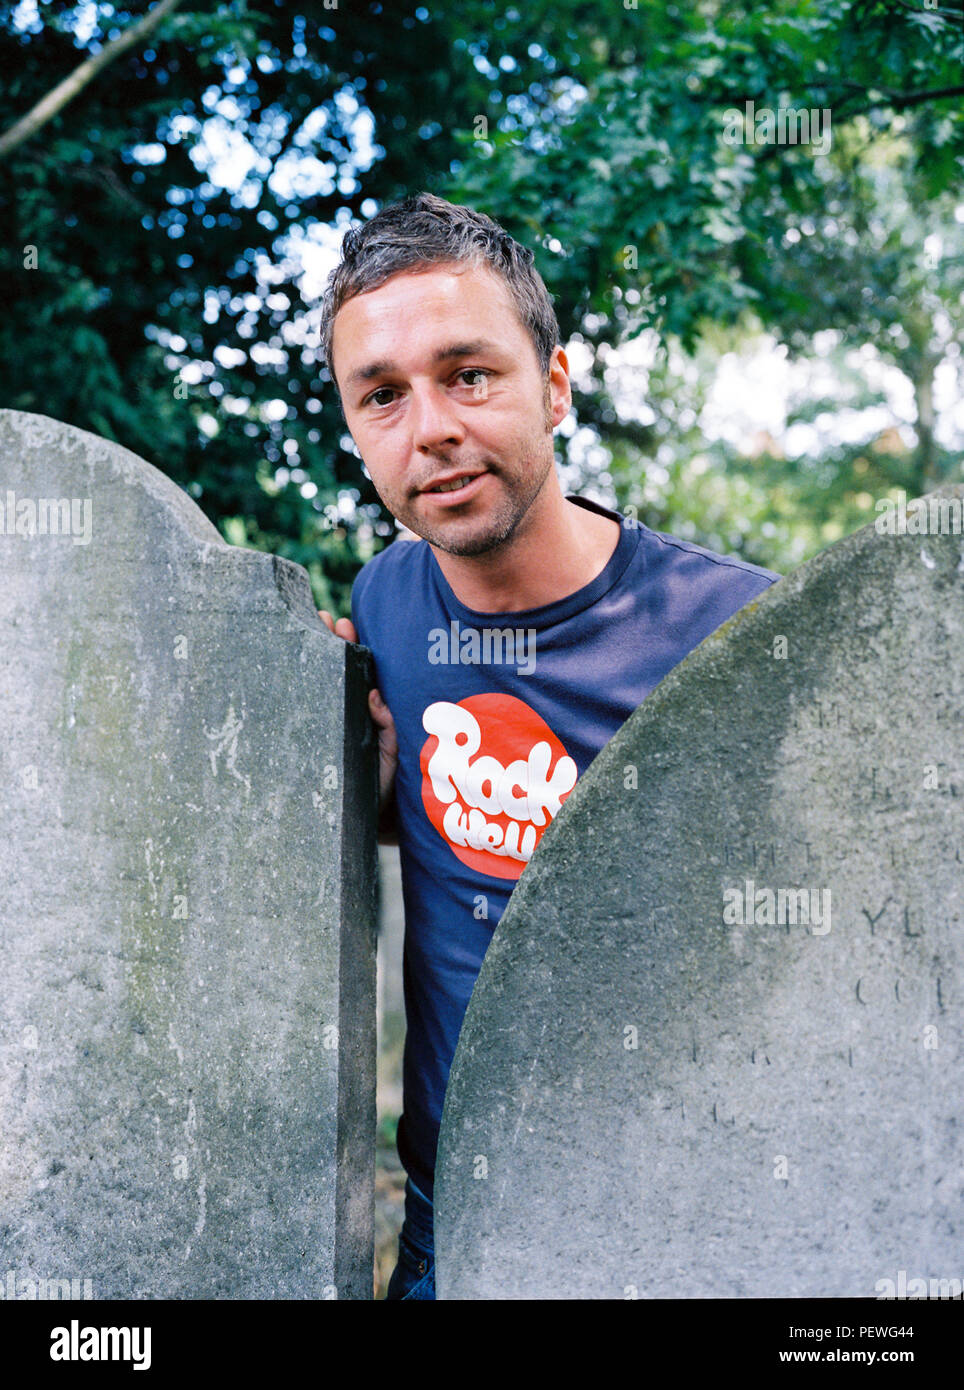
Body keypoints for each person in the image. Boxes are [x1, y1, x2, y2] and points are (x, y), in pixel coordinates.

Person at [316, 192, 781, 1299]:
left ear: (556, 387)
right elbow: (439, 821)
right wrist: (363, 791)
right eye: (381, 395)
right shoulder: (385, 602)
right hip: (449, 1204)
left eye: (468, 374)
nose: (428, 427)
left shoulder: (737, 637)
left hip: (672, 1208)